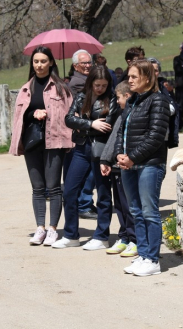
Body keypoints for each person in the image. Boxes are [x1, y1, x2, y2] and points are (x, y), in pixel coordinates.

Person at [9, 46, 73, 246]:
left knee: (53, 187)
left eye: (43, 61)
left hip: (54, 142)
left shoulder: (61, 88)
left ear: (51, 63)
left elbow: (70, 115)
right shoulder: (26, 88)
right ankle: (40, 228)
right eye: (36, 61)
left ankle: (53, 229)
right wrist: (34, 113)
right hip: (32, 142)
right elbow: (20, 116)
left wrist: (49, 114)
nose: (39, 65)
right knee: (37, 188)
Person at [53, 66, 119, 250]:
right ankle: (71, 235)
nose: (100, 89)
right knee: (69, 191)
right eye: (97, 85)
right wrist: (91, 124)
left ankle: (101, 236)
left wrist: (82, 124)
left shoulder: (112, 98)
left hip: (102, 151)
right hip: (82, 149)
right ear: (91, 83)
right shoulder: (82, 96)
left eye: (104, 85)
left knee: (104, 194)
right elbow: (68, 119)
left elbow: (108, 124)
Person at [115, 59, 170, 277]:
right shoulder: (132, 102)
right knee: (136, 212)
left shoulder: (158, 101)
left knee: (149, 212)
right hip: (129, 165)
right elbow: (122, 132)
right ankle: (144, 254)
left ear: (147, 78)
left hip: (149, 165)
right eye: (129, 76)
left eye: (134, 77)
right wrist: (120, 153)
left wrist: (132, 157)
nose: (129, 80)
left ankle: (153, 260)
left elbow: (155, 136)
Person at [100, 81, 137, 257]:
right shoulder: (121, 114)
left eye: (118, 97)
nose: (117, 101)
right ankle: (124, 237)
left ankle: (134, 239)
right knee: (120, 205)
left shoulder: (131, 113)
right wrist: (107, 159)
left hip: (128, 164)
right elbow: (114, 139)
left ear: (127, 96)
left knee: (129, 206)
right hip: (117, 165)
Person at [65, 49, 98, 220]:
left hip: (90, 129)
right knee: (88, 171)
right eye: (83, 63)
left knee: (91, 170)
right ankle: (84, 204)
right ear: (75, 65)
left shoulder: (86, 80)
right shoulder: (78, 83)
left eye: (89, 62)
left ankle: (86, 202)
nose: (87, 66)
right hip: (84, 130)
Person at [147, 57, 179, 149]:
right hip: (146, 136)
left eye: (156, 70)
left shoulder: (164, 87)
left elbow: (173, 107)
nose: (153, 73)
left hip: (163, 134)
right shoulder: (140, 89)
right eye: (150, 70)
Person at [173, 43, 183, 129]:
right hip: (180, 86)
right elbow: (178, 69)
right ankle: (179, 124)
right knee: (179, 105)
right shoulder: (177, 59)